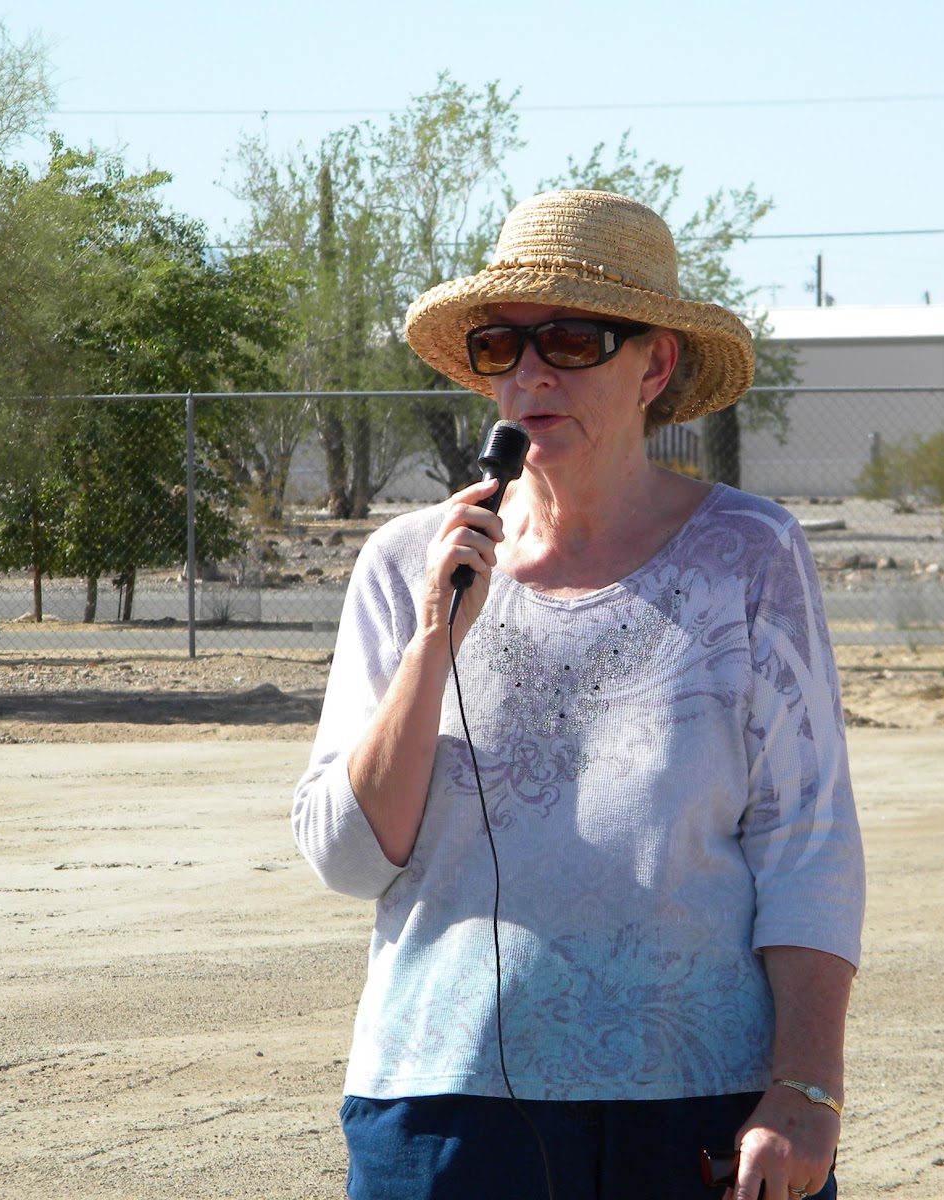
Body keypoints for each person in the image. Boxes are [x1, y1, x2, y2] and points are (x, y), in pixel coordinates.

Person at [294, 189, 865, 1200]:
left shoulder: (751, 556)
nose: (529, 374)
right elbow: (344, 858)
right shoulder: (405, 565)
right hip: (447, 1107)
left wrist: (806, 1090)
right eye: (500, 346)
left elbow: (806, 844)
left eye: (569, 338)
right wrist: (435, 640)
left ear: (655, 364)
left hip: (703, 1108)